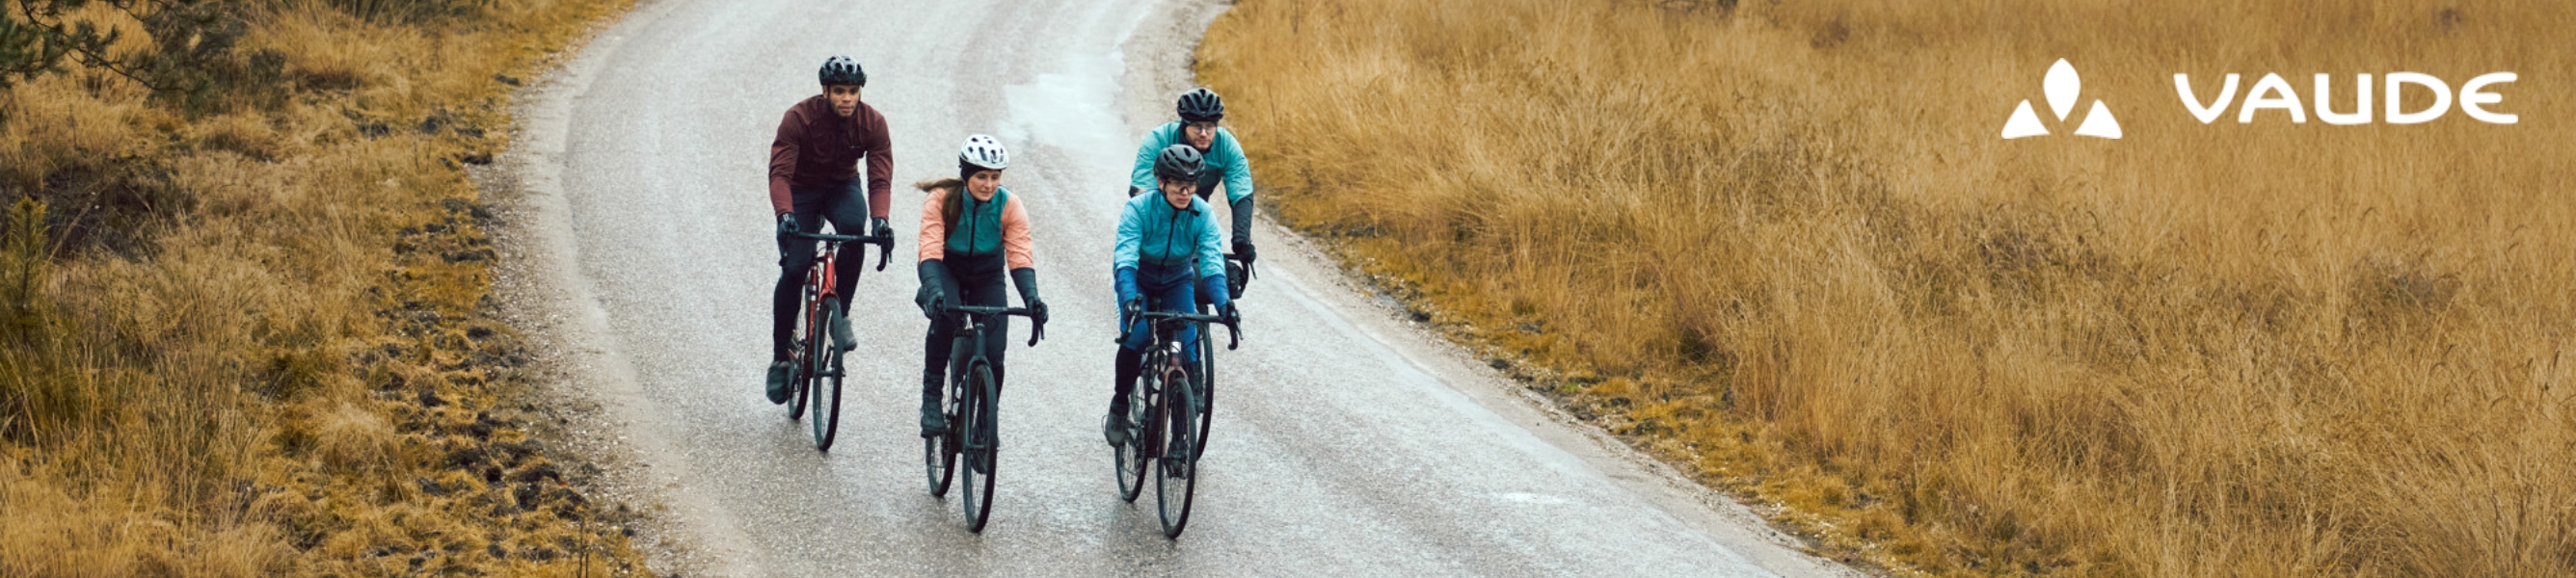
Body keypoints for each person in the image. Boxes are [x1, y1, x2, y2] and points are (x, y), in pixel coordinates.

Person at [765, 56, 896, 404]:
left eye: (852, 92)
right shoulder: (799, 118)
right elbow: (779, 175)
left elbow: (880, 177)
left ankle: (843, 313)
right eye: (839, 91)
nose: (847, 99)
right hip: (802, 190)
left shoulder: (873, 123)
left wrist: (881, 219)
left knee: (855, 229)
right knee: (794, 268)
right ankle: (781, 359)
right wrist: (785, 215)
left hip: (841, 188)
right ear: (825, 91)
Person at [1104, 144, 1239, 455]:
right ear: (1161, 182)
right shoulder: (1139, 208)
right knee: (1136, 338)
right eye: (1178, 183)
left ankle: (1180, 438)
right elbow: (1124, 259)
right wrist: (1129, 299)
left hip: (1177, 280)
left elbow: (1211, 262)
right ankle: (1120, 402)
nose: (1185, 190)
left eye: (1191, 184)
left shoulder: (1202, 214)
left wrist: (1224, 304)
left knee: (1188, 353)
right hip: (1139, 280)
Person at [913, 135, 1047, 437]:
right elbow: (930, 250)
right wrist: (934, 288)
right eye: (981, 176)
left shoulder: (1009, 204)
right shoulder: (941, 198)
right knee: (945, 316)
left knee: (995, 354)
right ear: (965, 175)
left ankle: (985, 424)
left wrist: (1032, 298)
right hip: (948, 268)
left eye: (995, 177)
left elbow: (1020, 255)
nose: (988, 184)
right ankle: (932, 396)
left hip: (987, 275)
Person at [1128, 88, 1257, 296]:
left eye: (1210, 127)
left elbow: (1241, 193)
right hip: (1159, 206)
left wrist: (1241, 240)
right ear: (1184, 125)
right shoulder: (1159, 139)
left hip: (1196, 210)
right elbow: (1141, 192)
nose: (1204, 133)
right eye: (1197, 127)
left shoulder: (1227, 146)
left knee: (1205, 271)